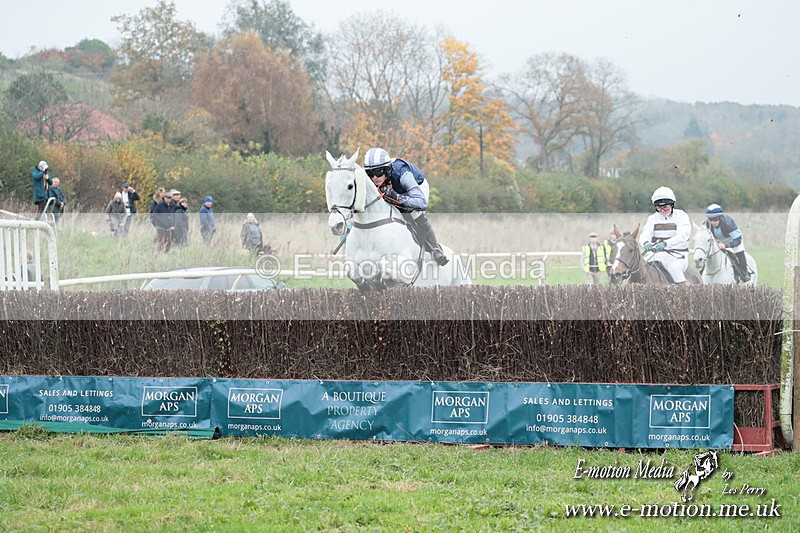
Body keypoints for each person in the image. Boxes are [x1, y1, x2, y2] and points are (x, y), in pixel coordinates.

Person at [363, 147, 449, 266]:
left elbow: (421, 203)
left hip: (416, 188)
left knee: (413, 212)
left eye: (378, 172)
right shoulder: (372, 178)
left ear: (387, 169)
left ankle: (436, 249)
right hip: (394, 188)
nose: (374, 178)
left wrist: (397, 198)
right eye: (370, 173)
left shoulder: (402, 173)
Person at [638, 186, 691, 284]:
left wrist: (665, 243)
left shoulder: (681, 216)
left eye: (666, 207)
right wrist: (645, 243)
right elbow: (645, 234)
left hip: (677, 255)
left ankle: (684, 292)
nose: (662, 210)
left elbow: (683, 235)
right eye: (659, 207)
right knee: (641, 268)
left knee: (673, 267)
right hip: (656, 254)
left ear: (672, 205)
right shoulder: (652, 218)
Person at [705, 203, 751, 282]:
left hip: (734, 239)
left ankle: (744, 272)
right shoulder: (707, 224)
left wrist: (726, 245)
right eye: (711, 219)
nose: (713, 222)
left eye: (715, 219)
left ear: (720, 217)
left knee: (738, 252)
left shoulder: (728, 222)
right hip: (719, 240)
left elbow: (738, 239)